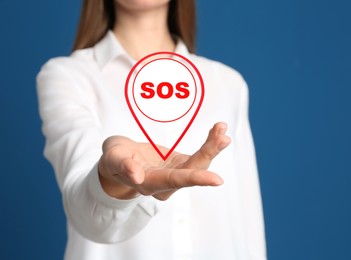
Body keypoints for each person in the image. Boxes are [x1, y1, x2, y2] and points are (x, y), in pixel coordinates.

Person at [36, 0, 267, 259]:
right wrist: (113, 183)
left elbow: (248, 222)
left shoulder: (227, 83)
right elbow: (86, 214)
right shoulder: (69, 77)